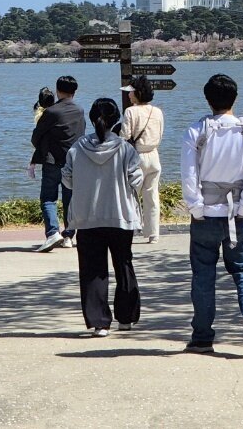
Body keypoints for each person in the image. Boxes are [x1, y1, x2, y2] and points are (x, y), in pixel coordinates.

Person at [181, 73, 243, 357]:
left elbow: (189, 175)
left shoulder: (196, 132)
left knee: (203, 274)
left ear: (208, 100)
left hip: (206, 213)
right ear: (235, 98)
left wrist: (196, 208)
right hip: (237, 214)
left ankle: (202, 336)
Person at [62, 97, 144, 337]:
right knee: (124, 264)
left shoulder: (77, 148)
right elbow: (136, 180)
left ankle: (99, 322)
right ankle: (126, 318)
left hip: (87, 216)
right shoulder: (125, 148)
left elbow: (66, 179)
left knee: (92, 270)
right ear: (116, 119)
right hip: (120, 215)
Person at [31, 77, 85, 252]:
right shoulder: (79, 110)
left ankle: (53, 233)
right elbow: (81, 134)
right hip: (74, 161)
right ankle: (69, 235)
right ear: (74, 92)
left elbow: (36, 137)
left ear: (58, 91)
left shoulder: (51, 112)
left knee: (48, 198)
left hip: (52, 161)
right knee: (70, 199)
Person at [121, 77, 166, 243]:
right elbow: (160, 134)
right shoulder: (157, 111)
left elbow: (124, 136)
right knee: (152, 195)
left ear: (137, 93)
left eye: (131, 92)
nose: (129, 95)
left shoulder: (131, 112)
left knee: (131, 194)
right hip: (154, 155)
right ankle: (153, 233)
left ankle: (131, 228)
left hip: (136, 156)